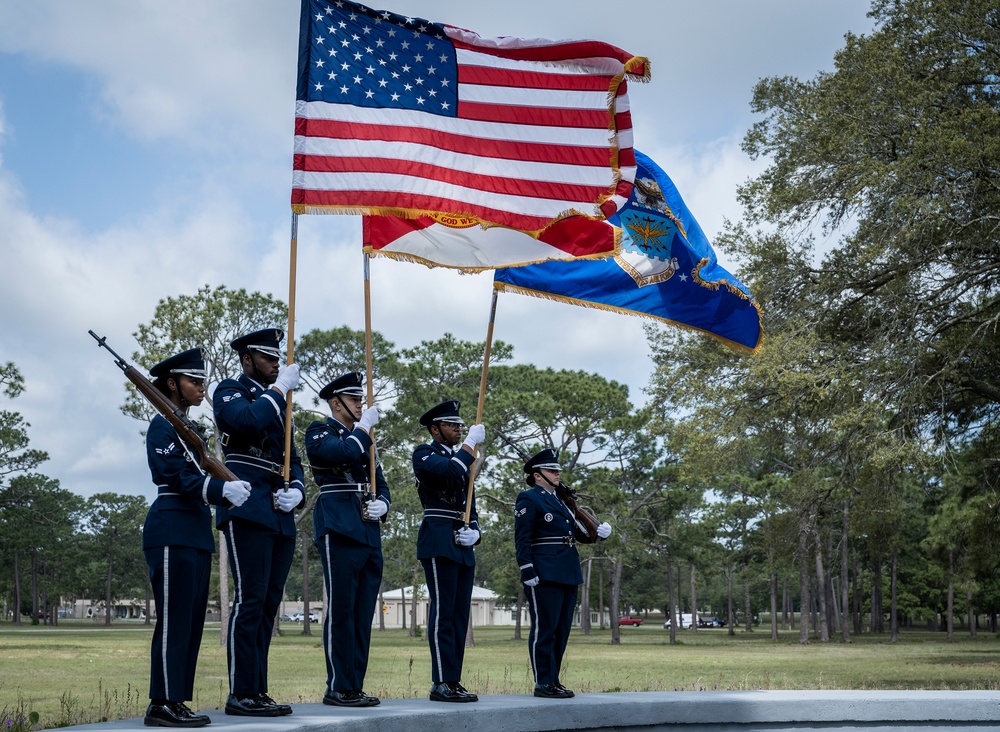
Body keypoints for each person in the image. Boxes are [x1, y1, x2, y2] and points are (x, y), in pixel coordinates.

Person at [142, 348, 252, 728]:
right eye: (194, 381)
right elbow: (175, 477)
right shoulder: (162, 427)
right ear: (172, 383)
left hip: (194, 533)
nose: (202, 387)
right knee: (174, 621)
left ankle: (176, 699)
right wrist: (221, 491)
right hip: (170, 529)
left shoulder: (188, 429)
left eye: (204, 381)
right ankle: (160, 703)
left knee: (189, 623)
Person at [213, 328, 304, 717]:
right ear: (248, 359)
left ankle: (258, 689)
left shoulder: (279, 404)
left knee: (268, 604)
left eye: (277, 359)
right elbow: (247, 422)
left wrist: (297, 489)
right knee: (250, 600)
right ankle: (241, 692)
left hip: (278, 510)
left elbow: (292, 458)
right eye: (268, 358)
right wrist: (279, 389)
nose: (275, 364)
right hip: (247, 502)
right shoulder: (229, 390)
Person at [305, 371, 389, 708]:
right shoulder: (318, 431)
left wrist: (384, 503)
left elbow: (378, 480)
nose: (360, 404)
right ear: (336, 403)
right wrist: (363, 428)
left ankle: (355, 684)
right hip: (338, 523)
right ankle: (338, 686)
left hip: (367, 527)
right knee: (341, 610)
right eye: (354, 399)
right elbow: (341, 453)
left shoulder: (364, 437)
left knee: (362, 612)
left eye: (360, 399)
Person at [514, 448, 612, 699]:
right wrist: (527, 569)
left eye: (557, 470)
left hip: (568, 569)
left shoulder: (562, 501)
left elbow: (575, 534)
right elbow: (522, 539)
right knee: (544, 629)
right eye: (551, 470)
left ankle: (553, 680)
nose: (557, 474)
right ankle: (542, 682)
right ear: (537, 475)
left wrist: (596, 533)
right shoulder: (528, 498)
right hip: (544, 571)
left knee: (561, 630)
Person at [412, 400, 485, 703]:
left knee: (458, 615)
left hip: (461, 542)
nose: (458, 429)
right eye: (452, 425)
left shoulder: (461, 460)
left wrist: (476, 532)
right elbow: (449, 471)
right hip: (439, 539)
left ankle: (453, 680)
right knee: (443, 614)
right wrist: (470, 444)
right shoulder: (424, 454)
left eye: (459, 425)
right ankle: (440, 681)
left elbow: (472, 507)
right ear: (435, 429)